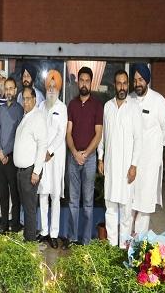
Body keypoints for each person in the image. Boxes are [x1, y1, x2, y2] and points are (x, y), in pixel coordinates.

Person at [97, 70, 142, 248]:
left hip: (126, 169)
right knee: (110, 209)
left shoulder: (134, 108)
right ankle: (110, 246)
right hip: (110, 167)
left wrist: (134, 165)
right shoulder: (107, 106)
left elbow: (139, 138)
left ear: (128, 85)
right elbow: (103, 136)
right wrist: (100, 158)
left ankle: (123, 248)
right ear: (114, 85)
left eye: (125, 83)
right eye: (119, 83)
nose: (122, 87)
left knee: (125, 211)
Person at [129, 63, 165, 234]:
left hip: (149, 163)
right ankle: (125, 241)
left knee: (145, 204)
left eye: (140, 79)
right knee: (130, 203)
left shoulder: (158, 101)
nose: (137, 83)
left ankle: (139, 242)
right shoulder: (129, 99)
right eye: (135, 80)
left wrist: (153, 148)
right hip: (132, 162)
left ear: (147, 80)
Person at [65, 66, 103, 248]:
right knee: (73, 201)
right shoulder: (72, 104)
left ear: (91, 82)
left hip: (89, 159)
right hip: (73, 158)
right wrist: (74, 153)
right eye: (82, 80)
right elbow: (68, 132)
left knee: (87, 202)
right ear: (78, 82)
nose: (84, 83)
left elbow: (98, 134)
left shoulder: (97, 105)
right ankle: (72, 238)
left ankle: (86, 242)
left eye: (87, 80)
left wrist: (85, 154)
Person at [37, 70, 68, 249]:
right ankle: (44, 232)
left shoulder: (61, 108)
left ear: (59, 88)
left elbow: (61, 133)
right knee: (43, 194)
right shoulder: (41, 106)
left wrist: (49, 151)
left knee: (55, 195)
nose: (51, 89)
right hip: (42, 156)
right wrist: (42, 151)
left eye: (54, 87)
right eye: (49, 86)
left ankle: (54, 234)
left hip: (55, 157)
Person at [14, 86, 47, 242]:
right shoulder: (26, 116)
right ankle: (28, 238)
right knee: (26, 207)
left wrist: (36, 171)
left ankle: (30, 242)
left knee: (30, 209)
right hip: (21, 171)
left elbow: (42, 145)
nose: (25, 102)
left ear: (35, 99)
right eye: (24, 99)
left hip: (30, 172)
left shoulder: (38, 117)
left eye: (28, 99)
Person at [0, 77, 24, 234]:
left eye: (11, 88)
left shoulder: (19, 110)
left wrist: (5, 152)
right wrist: (0, 151)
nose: (9, 91)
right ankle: (4, 224)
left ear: (15, 90)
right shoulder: (2, 109)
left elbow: (17, 134)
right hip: (1, 157)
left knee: (15, 193)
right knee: (3, 194)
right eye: (6, 89)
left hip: (12, 157)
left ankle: (15, 224)